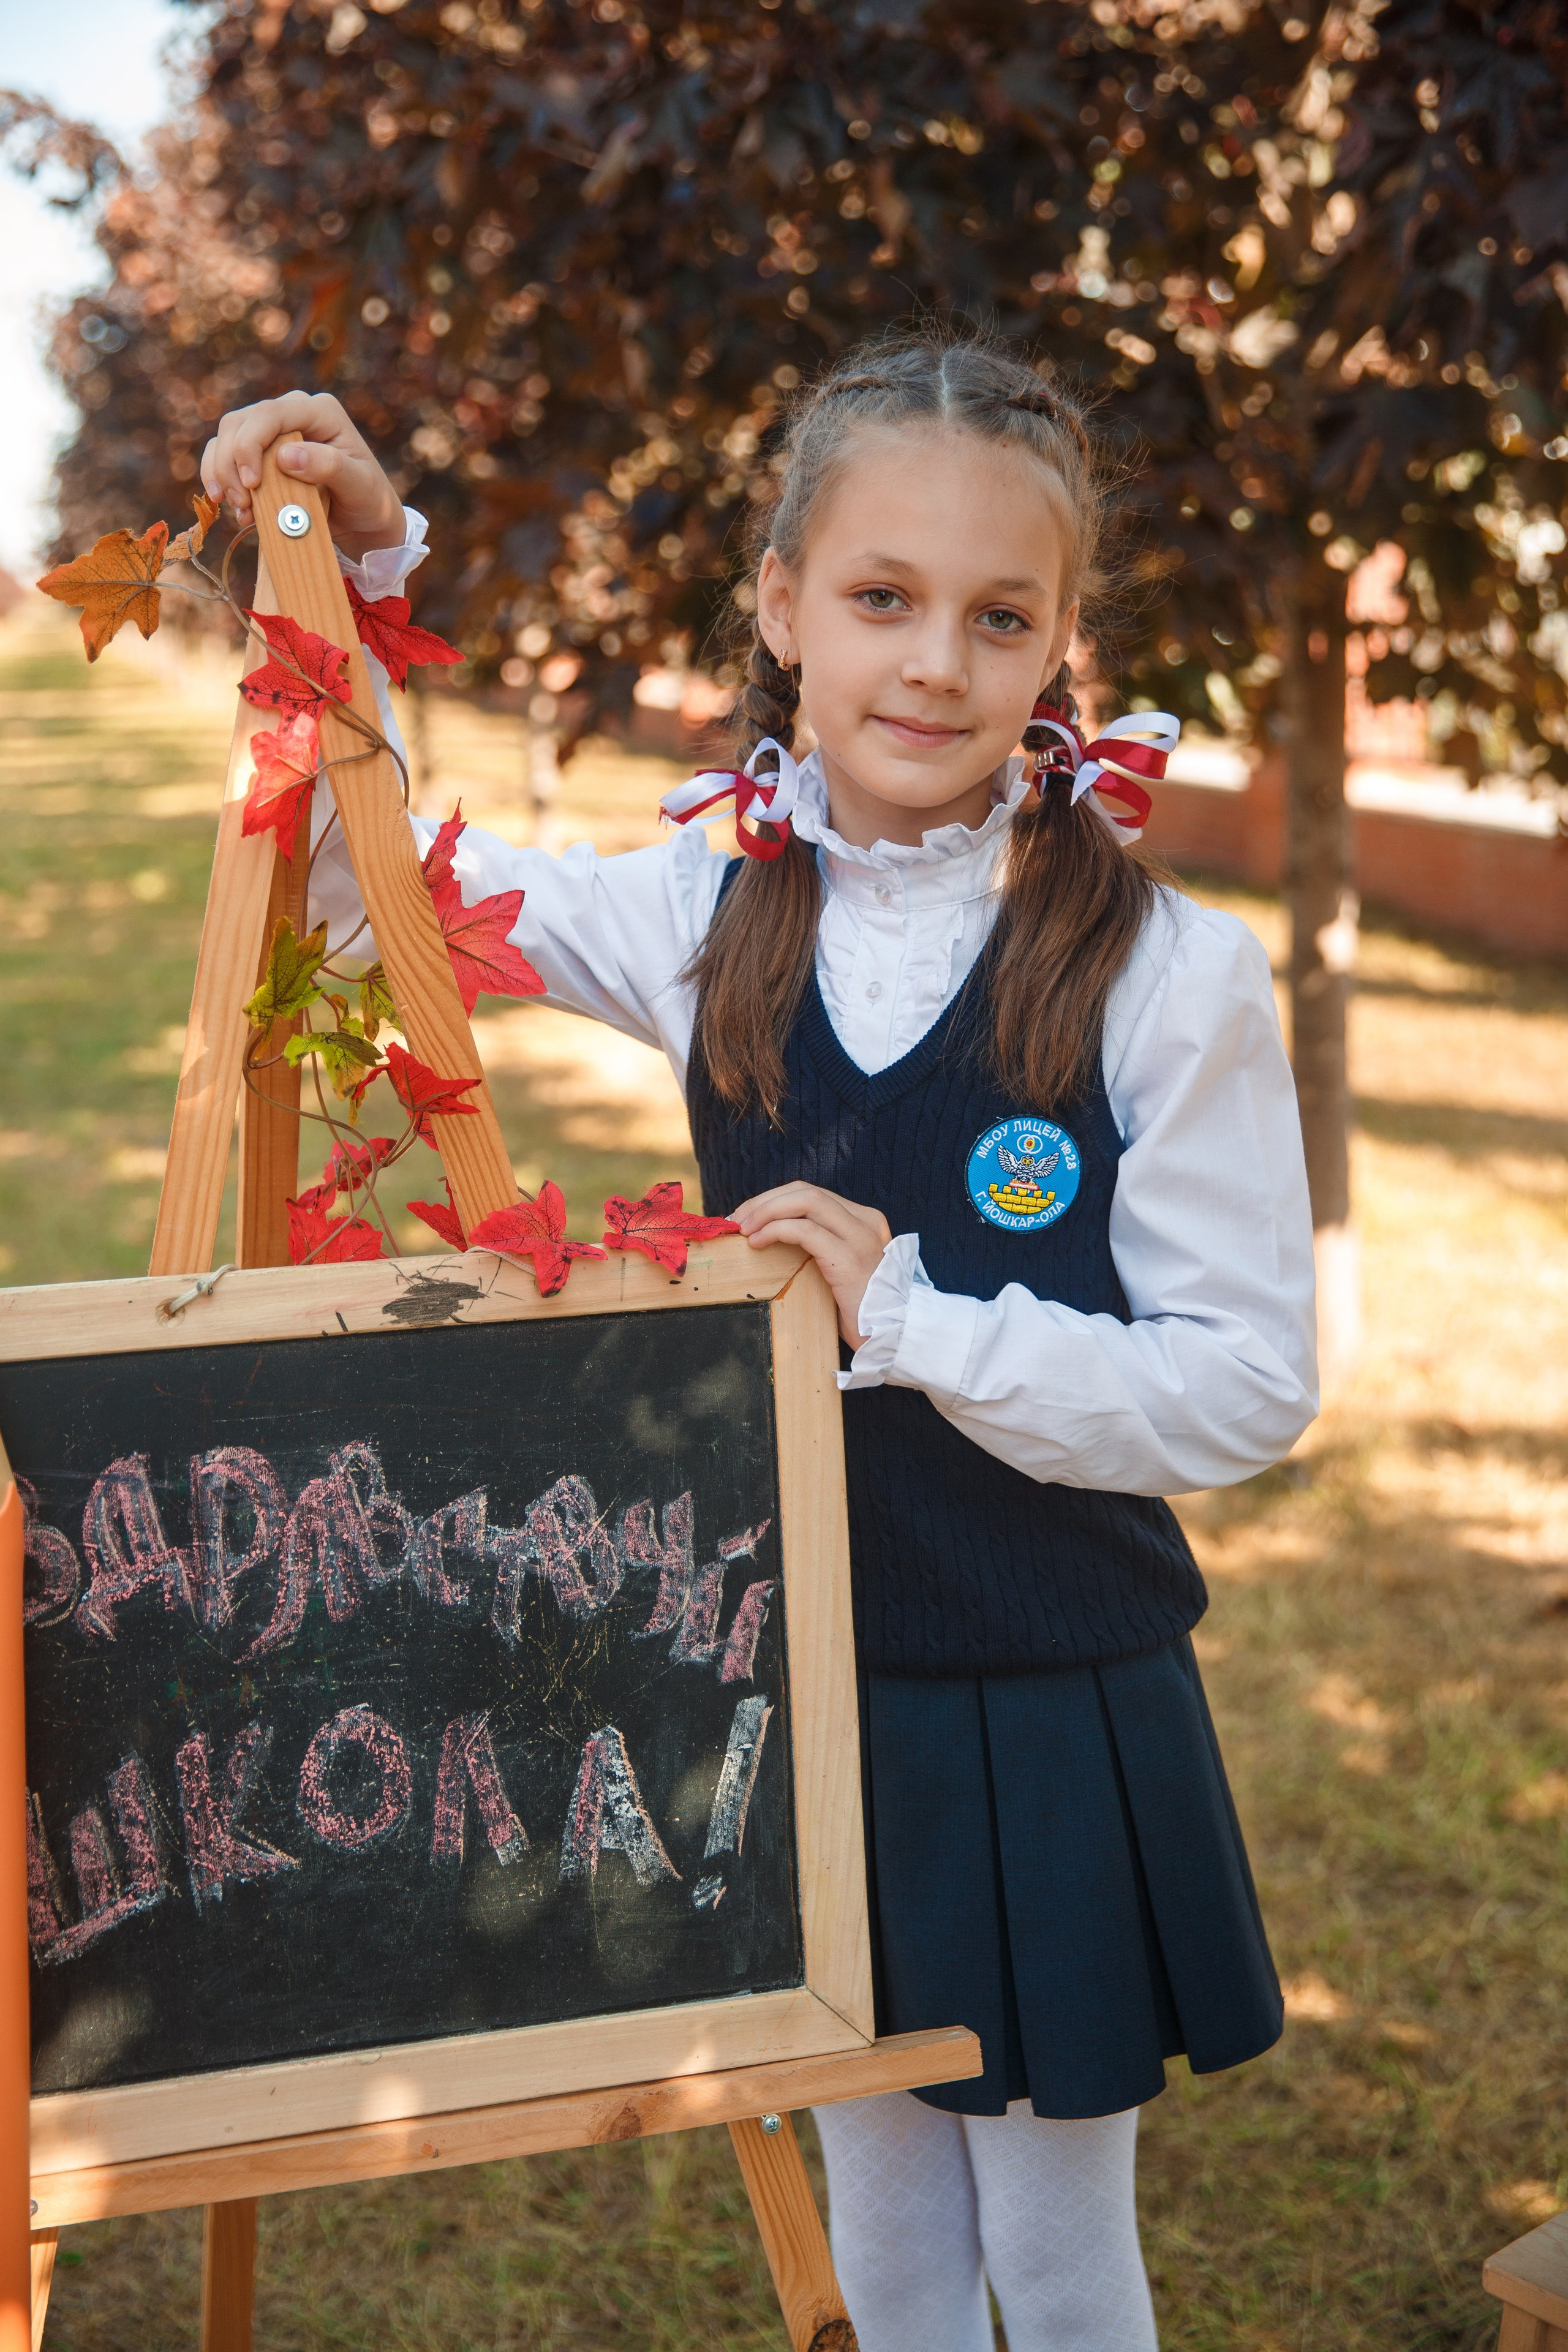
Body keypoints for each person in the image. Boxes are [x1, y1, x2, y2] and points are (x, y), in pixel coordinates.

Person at [203, 330, 1317, 2352]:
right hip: (791, 1674)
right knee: (885, 2224)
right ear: (783, 603)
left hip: (1049, 1685)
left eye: (1001, 617)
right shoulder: (720, 906)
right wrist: (351, 579)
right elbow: (389, 912)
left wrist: (916, 1316)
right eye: (881, 598)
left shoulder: (1165, 966)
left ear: (1063, 642)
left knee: (1055, 2248)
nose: (933, 665)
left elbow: (1245, 1383)